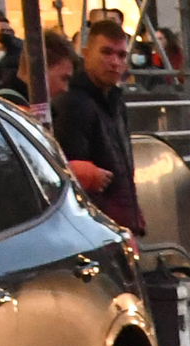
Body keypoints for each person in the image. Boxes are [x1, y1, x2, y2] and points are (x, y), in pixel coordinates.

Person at [53, 19, 143, 233]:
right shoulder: (75, 103)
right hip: (99, 228)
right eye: (106, 52)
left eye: (121, 55)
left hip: (119, 222)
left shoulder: (115, 100)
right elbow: (76, 175)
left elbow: (122, 164)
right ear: (86, 53)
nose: (114, 62)